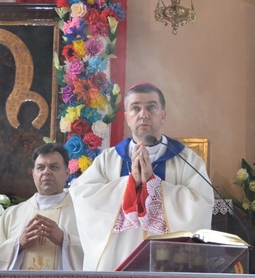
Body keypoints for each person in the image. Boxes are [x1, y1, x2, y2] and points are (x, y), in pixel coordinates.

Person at [69, 82, 214, 271]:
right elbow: (83, 197)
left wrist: (155, 187)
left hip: (169, 264)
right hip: (118, 261)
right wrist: (131, 184)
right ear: (127, 117)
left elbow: (201, 204)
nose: (143, 114)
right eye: (135, 108)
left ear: (163, 115)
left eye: (151, 107)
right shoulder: (108, 159)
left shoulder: (186, 159)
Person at [0, 143, 82, 270]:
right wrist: (17, 244)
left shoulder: (81, 213)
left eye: (53, 167)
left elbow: (100, 253)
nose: (46, 172)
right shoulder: (12, 215)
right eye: (40, 168)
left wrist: (65, 241)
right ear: (33, 174)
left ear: (67, 173)